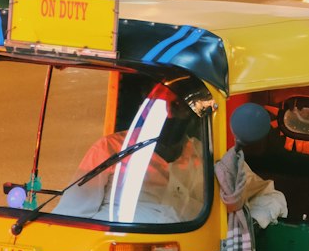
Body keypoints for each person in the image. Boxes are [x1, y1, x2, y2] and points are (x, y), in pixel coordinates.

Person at [62, 87, 205, 223]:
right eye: (162, 106)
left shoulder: (202, 156)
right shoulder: (111, 148)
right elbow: (73, 214)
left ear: (191, 113)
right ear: (144, 110)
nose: (169, 114)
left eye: (177, 106)